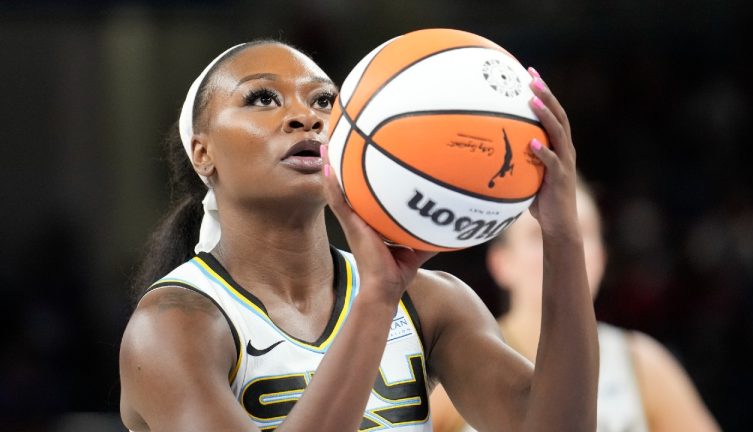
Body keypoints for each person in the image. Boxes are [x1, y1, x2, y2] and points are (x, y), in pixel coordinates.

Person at [119, 38, 599, 431]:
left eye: (324, 101)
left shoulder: (431, 303)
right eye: (262, 98)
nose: (306, 117)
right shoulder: (172, 325)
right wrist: (376, 302)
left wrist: (562, 235)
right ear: (203, 154)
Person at [430, 181, 721, 432]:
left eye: (580, 234)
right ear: (501, 262)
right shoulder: (455, 360)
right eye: (538, 235)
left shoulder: (642, 363)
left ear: (602, 259)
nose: (564, 248)